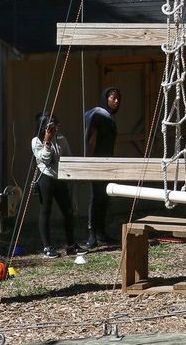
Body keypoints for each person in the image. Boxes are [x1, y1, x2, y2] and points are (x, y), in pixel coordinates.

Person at [31, 113, 87, 258]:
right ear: (43, 127)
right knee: (45, 212)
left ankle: (71, 245)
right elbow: (45, 159)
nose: (55, 127)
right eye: (51, 125)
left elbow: (68, 157)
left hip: (60, 178)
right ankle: (47, 247)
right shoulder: (36, 141)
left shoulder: (61, 139)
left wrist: (75, 175)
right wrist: (47, 141)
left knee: (68, 211)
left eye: (56, 124)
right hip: (46, 177)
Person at [83, 87, 121, 249]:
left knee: (104, 197)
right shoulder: (98, 116)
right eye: (113, 98)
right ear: (106, 98)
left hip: (107, 163)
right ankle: (92, 235)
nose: (116, 101)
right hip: (96, 163)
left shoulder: (109, 118)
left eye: (118, 98)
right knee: (96, 198)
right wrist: (89, 164)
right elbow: (91, 140)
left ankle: (101, 233)